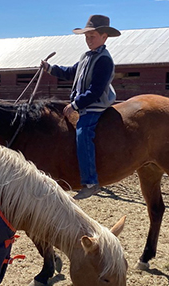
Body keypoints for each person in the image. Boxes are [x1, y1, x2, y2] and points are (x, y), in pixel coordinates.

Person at [41, 14, 121, 200]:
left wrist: (75, 104)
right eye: (86, 37)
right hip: (85, 103)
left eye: (92, 36)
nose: (88, 40)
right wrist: (50, 68)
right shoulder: (86, 56)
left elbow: (95, 90)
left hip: (95, 105)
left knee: (83, 133)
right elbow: (70, 72)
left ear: (104, 37)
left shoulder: (104, 60)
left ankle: (91, 182)